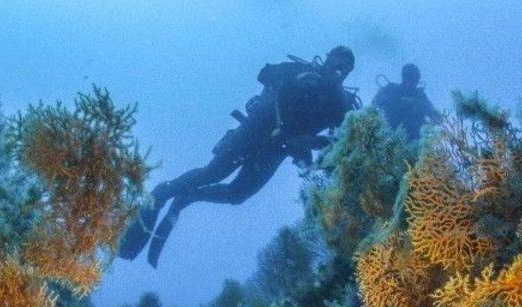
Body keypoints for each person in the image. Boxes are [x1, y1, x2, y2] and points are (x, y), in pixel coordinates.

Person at [118, 46, 359, 267]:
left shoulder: (342, 105)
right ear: (326, 59)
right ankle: (162, 193)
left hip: (277, 149)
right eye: (335, 63)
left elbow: (339, 141)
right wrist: (293, 79)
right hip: (256, 128)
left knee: (237, 194)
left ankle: (186, 199)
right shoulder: (302, 71)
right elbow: (264, 74)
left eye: (345, 69)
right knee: (213, 173)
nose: (338, 71)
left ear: (349, 73)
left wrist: (309, 144)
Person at [372, 63, 440, 141]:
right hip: (389, 138)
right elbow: (375, 103)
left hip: (414, 141)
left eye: (415, 80)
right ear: (403, 78)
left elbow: (436, 116)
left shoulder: (420, 95)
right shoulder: (391, 89)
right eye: (409, 79)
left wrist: (425, 108)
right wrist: (403, 101)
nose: (412, 83)